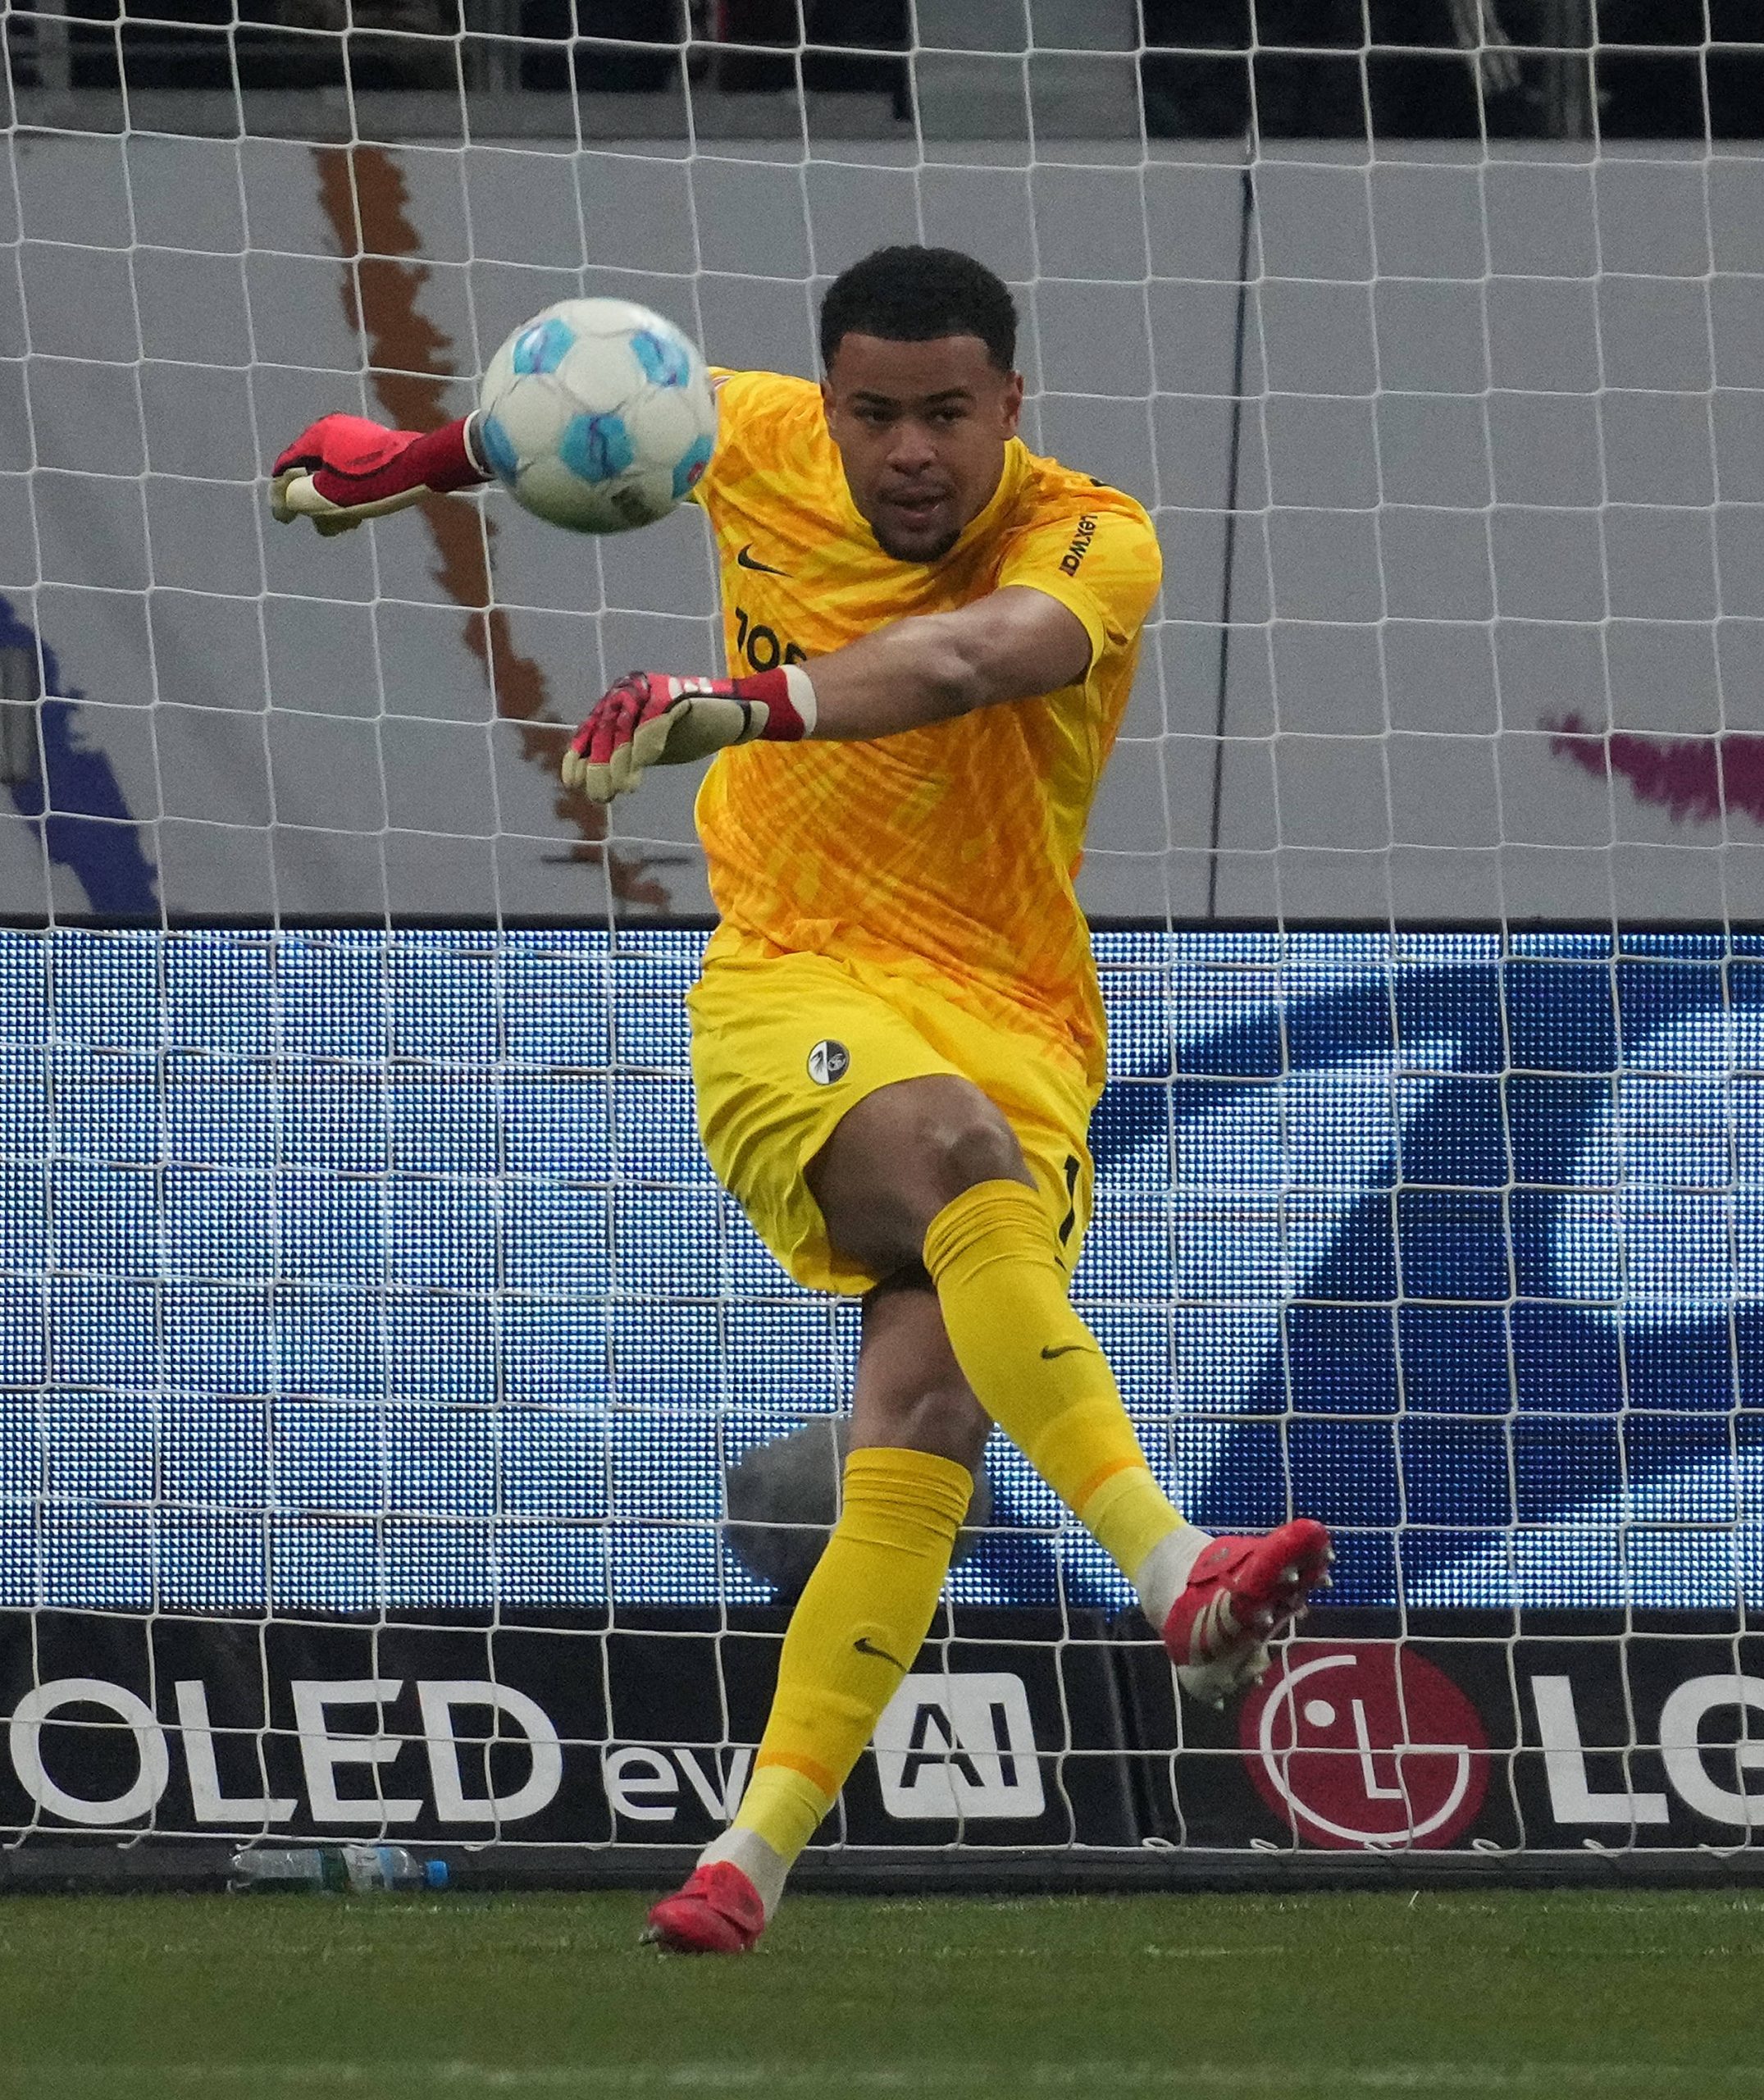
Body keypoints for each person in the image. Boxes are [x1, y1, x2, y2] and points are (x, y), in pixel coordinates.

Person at [271, 244, 1332, 1954]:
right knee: (950, 1156)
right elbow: (577, 423)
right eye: (872, 414)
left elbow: (976, 660)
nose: (906, 451)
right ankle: (1168, 1563)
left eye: (945, 415)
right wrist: (411, 458)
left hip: (1017, 1008)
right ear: (824, 400)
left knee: (918, 1422)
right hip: (796, 982)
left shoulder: (1091, 537)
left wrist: (738, 703)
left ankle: (746, 1855)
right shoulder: (746, 431)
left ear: (1010, 406)